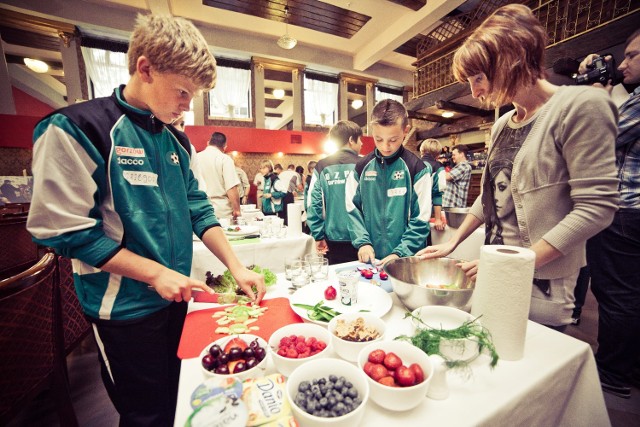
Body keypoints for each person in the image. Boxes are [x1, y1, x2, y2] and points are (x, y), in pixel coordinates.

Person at [26, 14, 265, 426]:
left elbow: (198, 207)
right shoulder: (76, 128)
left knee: (179, 394)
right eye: (184, 92)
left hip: (175, 298)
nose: (187, 105)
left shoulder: (175, 139)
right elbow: (64, 233)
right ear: (146, 68)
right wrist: (153, 273)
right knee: (145, 414)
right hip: (123, 308)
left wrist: (235, 264)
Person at [417, 4, 619, 330]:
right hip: (497, 267)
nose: (474, 91)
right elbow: (491, 198)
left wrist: (515, 263)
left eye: (479, 78)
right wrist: (454, 241)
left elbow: (597, 208)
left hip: (542, 280)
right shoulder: (501, 125)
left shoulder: (580, 106)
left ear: (511, 59)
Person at [583, 28, 640, 399]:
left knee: (615, 292)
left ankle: (613, 372)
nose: (623, 62)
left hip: (625, 211)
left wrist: (599, 96)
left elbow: (601, 138)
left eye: (633, 55)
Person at [346, 99, 431, 266]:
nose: (385, 147)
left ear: (405, 131)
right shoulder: (360, 168)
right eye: (378, 139)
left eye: (393, 140)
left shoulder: (417, 169)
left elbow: (421, 219)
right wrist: (362, 242)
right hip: (373, 259)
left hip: (407, 259)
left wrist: (400, 252)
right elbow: (352, 208)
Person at [307, 120, 363, 264]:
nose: (362, 144)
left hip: (332, 237)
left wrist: (318, 235)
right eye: (360, 140)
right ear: (351, 140)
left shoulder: (321, 166)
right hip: (364, 239)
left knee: (335, 281)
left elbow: (313, 203)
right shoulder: (366, 164)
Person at [197, 131, 241, 219]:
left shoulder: (195, 157)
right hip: (221, 210)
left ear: (208, 143)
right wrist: (237, 210)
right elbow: (231, 187)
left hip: (200, 208)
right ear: (224, 147)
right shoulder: (225, 159)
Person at [419, 138, 445, 234]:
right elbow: (437, 194)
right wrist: (438, 219)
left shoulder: (412, 163)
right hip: (424, 214)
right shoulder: (438, 167)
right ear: (438, 155)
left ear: (421, 150)